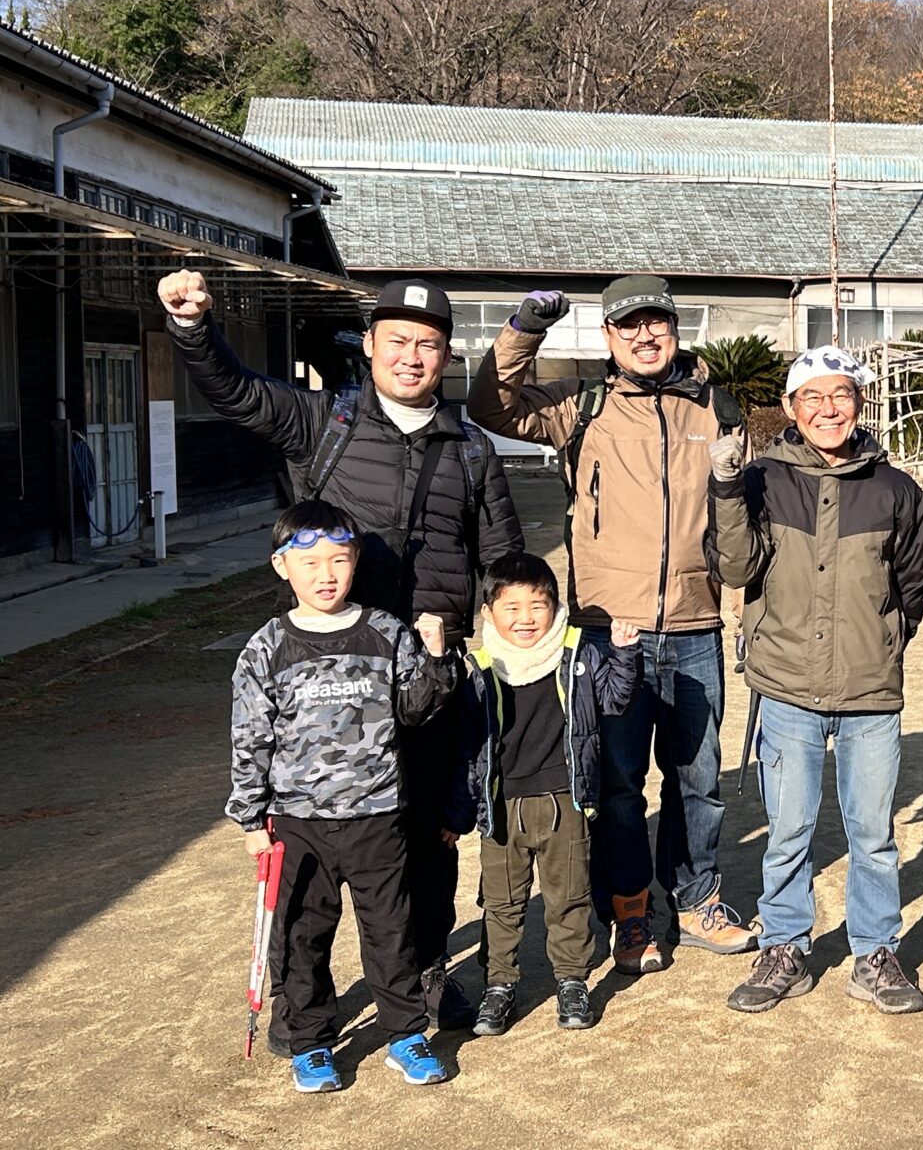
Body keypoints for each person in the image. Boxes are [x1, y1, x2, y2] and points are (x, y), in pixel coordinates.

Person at [162, 270, 522, 1036]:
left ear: (447, 355)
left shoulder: (471, 449)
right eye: (397, 341)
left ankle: (425, 974)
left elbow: (502, 558)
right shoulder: (322, 420)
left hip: (429, 673)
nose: (412, 356)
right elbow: (234, 391)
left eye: (428, 344)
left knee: (429, 839)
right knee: (313, 856)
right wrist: (194, 328)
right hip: (327, 681)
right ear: (369, 345)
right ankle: (304, 1006)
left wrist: (505, 651)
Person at [465, 278, 754, 973]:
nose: (645, 336)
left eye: (657, 322)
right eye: (630, 325)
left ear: (676, 329)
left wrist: (744, 607)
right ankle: (628, 910)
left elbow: (739, 517)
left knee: (698, 780)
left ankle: (697, 898)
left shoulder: (716, 408)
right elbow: (490, 405)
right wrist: (523, 329)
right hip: (606, 627)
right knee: (618, 785)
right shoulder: (582, 404)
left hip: (694, 625)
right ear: (608, 337)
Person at [707, 347, 923, 1016]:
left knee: (873, 836)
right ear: (790, 407)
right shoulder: (760, 480)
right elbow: (735, 567)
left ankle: (875, 953)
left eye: (841, 395)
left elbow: (915, 581)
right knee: (789, 831)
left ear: (860, 404)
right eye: (812, 396)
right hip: (786, 688)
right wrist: (727, 488)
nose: (828, 409)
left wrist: (883, 640)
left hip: (870, 694)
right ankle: (784, 947)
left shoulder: (895, 490)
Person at [227, 499, 460, 1092]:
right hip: (297, 822)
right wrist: (251, 818)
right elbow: (250, 737)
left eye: (338, 559)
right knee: (301, 934)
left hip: (377, 816)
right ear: (282, 567)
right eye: (309, 562)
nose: (325, 574)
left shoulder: (384, 632)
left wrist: (437, 658)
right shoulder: (266, 648)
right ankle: (309, 1040)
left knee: (391, 930)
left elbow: (416, 710)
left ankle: (405, 1033)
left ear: (356, 561)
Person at [446, 553, 642, 1035]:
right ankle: (499, 984)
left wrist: (624, 654)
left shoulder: (576, 655)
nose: (526, 618)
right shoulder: (480, 668)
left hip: (565, 800)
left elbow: (614, 700)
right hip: (502, 806)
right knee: (501, 904)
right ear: (488, 612)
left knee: (568, 899)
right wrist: (458, 812)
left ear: (555, 607)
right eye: (511, 607)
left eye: (537, 605)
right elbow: (465, 748)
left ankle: (572, 980)